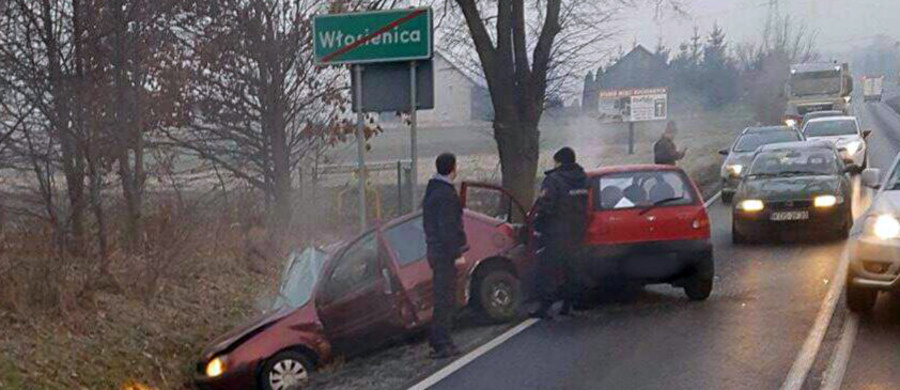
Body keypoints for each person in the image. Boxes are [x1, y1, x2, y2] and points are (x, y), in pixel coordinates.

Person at [530, 147, 589, 319]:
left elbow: (545, 206)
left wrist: (538, 227)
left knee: (548, 270)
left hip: (555, 232)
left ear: (560, 162)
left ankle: (545, 307)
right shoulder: (583, 179)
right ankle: (568, 305)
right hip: (577, 231)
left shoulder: (553, 180)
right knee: (573, 269)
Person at [422, 152, 468, 359]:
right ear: (453, 168)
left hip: (436, 252)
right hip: (444, 254)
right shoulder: (445, 195)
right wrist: (456, 253)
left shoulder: (434, 191)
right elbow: (447, 228)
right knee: (445, 299)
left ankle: (441, 340)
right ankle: (442, 343)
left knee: (444, 297)